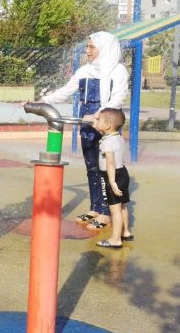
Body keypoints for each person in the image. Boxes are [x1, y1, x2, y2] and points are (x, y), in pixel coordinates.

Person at [37, 31, 129, 230]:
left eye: (91, 47)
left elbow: (118, 97)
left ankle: (107, 212)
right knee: (92, 167)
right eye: (87, 46)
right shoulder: (85, 71)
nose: (87, 50)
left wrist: (99, 114)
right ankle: (96, 207)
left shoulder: (118, 70)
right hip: (87, 123)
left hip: (106, 125)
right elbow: (65, 91)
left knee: (108, 169)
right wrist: (43, 101)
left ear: (104, 49)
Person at [92, 108, 134, 248]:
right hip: (122, 173)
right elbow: (104, 132)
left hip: (112, 176)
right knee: (122, 206)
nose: (96, 121)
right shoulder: (117, 137)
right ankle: (125, 232)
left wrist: (111, 182)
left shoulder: (107, 143)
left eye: (99, 120)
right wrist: (98, 125)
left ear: (108, 126)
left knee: (114, 210)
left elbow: (110, 163)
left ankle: (115, 240)